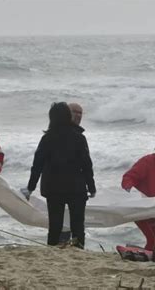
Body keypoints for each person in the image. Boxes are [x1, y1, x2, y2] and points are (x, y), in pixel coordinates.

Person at [25, 102, 96, 248]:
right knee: (77, 225)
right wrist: (91, 186)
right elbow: (87, 165)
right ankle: (78, 249)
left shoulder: (47, 139)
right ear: (68, 116)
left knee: (55, 224)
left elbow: (37, 164)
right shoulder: (79, 138)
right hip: (76, 188)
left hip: (53, 188)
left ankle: (52, 249)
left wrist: (30, 187)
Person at [58, 102, 85, 243]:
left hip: (76, 186)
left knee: (77, 224)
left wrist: (90, 186)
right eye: (75, 112)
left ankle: (76, 246)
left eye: (81, 113)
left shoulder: (80, 135)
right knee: (59, 222)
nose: (78, 116)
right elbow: (40, 161)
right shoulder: (55, 133)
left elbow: (86, 163)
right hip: (59, 186)